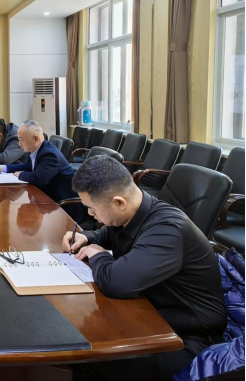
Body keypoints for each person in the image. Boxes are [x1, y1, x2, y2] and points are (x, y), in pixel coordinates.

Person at [62, 156, 227, 381]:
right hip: (154, 313)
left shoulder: (167, 229)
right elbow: (110, 232)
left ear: (119, 202)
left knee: (88, 352)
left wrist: (98, 254)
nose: (91, 215)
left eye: (92, 209)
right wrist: (88, 237)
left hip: (187, 340)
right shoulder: (134, 212)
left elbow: (116, 283)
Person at [0, 120, 77, 203]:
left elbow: (38, 178)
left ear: (35, 139)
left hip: (62, 204)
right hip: (47, 198)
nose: (19, 144)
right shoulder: (36, 150)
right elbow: (26, 166)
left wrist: (20, 175)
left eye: (21, 140)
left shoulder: (50, 154)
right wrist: (3, 168)